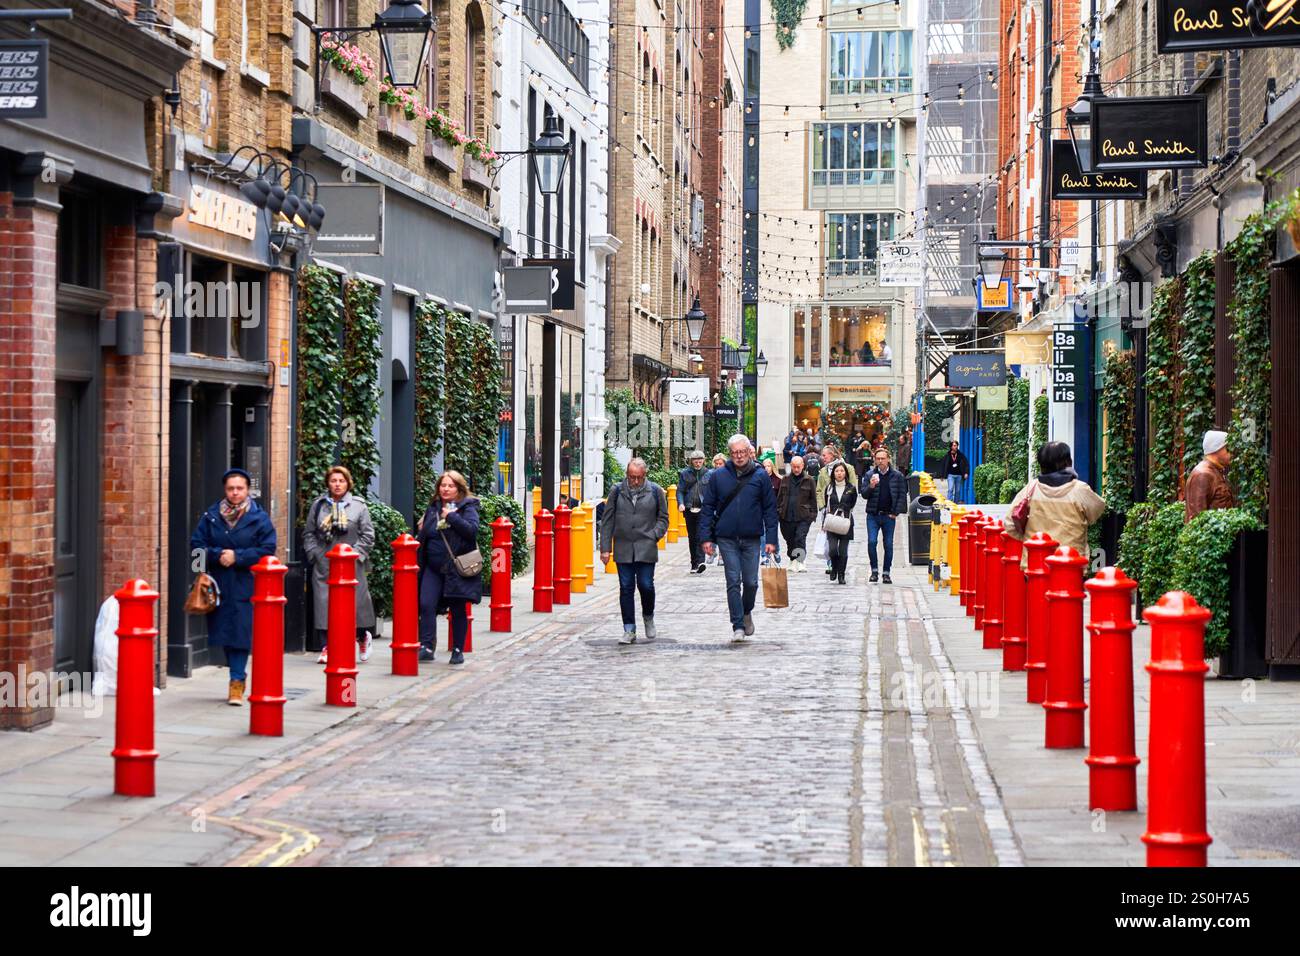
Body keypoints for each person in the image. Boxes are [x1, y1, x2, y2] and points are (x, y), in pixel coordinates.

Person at [190, 468, 277, 705]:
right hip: (217, 586)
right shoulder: (210, 516)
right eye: (231, 488)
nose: (235, 492)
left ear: (248, 490)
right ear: (225, 490)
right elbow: (196, 549)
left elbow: (268, 549)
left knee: (240, 635)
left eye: (240, 488)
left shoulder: (259, 518)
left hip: (245, 585)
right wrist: (215, 559)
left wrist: (238, 557)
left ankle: (236, 682)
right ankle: (236, 675)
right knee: (225, 635)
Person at [699, 435, 780, 642]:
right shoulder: (718, 476)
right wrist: (706, 538)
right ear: (730, 454)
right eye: (734, 453)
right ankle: (737, 625)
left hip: (751, 537)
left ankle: (746, 611)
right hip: (726, 537)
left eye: (742, 452)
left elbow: (770, 509)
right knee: (733, 581)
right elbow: (708, 508)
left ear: (749, 452)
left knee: (751, 582)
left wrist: (772, 539)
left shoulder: (760, 476)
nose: (738, 456)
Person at [302, 465, 377, 665]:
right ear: (328, 483)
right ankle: (327, 646)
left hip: (351, 564)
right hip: (325, 563)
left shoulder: (359, 506)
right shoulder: (319, 505)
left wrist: (355, 554)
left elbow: (368, 535)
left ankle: (362, 636)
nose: (337, 485)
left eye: (341, 481)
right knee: (324, 604)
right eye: (333, 481)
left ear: (348, 483)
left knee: (357, 606)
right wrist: (316, 554)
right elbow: (309, 533)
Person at [416, 470, 483, 665]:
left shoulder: (467, 507)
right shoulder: (434, 507)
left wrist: (452, 517)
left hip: (455, 566)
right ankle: (427, 646)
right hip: (433, 567)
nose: (445, 489)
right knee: (426, 604)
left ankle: (457, 649)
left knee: (457, 608)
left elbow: (471, 531)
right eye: (443, 485)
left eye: (450, 486)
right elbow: (425, 535)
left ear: (459, 489)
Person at [600, 457, 670, 643]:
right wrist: (605, 548)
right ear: (627, 475)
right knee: (626, 587)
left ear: (645, 475)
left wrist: (655, 534)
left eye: (639, 477)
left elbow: (663, 518)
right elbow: (607, 521)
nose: (635, 481)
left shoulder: (655, 491)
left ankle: (648, 616)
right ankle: (629, 629)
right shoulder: (617, 491)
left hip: (646, 546)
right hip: (623, 547)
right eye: (632, 477)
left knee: (646, 585)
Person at [1005, 441, 1106, 561]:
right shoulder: (1080, 490)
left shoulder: (1031, 489)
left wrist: (1031, 539)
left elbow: (1010, 524)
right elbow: (1097, 511)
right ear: (1068, 462)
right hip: (1070, 563)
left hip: (1036, 561)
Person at [861, 447, 908, 583]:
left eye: (883, 458)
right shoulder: (870, 475)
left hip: (889, 516)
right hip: (873, 515)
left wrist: (895, 513)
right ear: (875, 460)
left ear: (888, 460)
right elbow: (864, 494)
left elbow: (901, 496)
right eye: (878, 459)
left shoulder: (897, 476)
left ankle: (886, 573)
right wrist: (871, 486)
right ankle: (874, 571)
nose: (880, 461)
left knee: (888, 544)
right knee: (872, 542)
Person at [777, 455, 817, 571]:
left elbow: (813, 498)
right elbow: (780, 498)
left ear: (802, 466)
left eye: (798, 467)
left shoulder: (809, 480)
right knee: (789, 539)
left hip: (803, 516)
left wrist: (812, 515)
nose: (796, 469)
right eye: (794, 467)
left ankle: (800, 561)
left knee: (800, 537)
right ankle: (792, 559)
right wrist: (779, 511)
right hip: (786, 515)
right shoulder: (785, 479)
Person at [1185, 429, 1235, 522]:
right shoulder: (1203, 474)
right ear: (1217, 448)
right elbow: (1196, 518)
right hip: (1213, 535)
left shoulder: (1214, 471)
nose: (1231, 452)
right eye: (1227, 448)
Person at [823, 461, 857, 585]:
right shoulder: (829, 488)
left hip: (845, 522)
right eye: (837, 471)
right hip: (832, 522)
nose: (839, 473)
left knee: (843, 551)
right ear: (833, 473)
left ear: (845, 473)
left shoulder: (851, 488)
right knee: (832, 550)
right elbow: (827, 505)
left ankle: (841, 574)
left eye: (842, 471)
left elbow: (853, 503)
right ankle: (835, 568)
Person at [677, 450, 709, 573]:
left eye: (700, 460)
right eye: (695, 461)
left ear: (703, 461)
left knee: (700, 535)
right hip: (689, 509)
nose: (697, 463)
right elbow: (680, 490)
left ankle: (701, 561)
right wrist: (681, 503)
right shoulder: (685, 474)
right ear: (691, 462)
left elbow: (713, 492)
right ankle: (694, 563)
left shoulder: (708, 474)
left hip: (703, 509)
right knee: (692, 537)